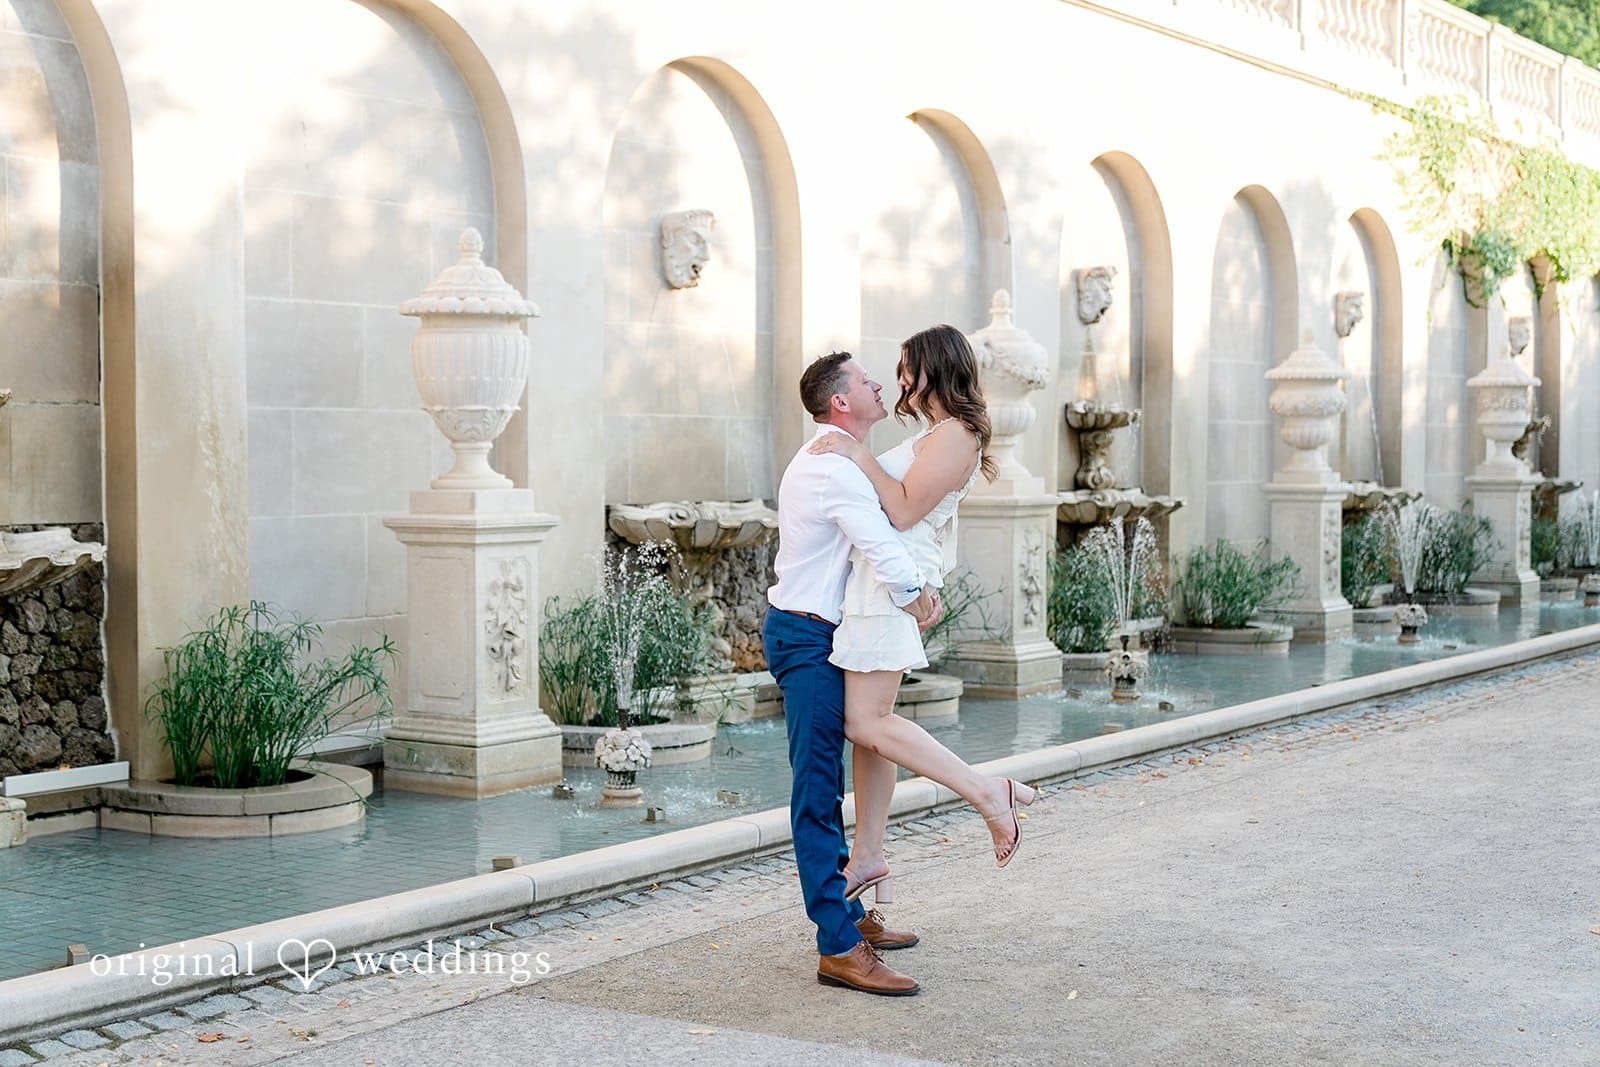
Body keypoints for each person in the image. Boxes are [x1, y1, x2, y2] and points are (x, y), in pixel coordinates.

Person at [806, 323, 1037, 910]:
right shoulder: (941, 432)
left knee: (866, 723)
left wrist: (857, 453)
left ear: (936, 366)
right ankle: (869, 855)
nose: (900, 378)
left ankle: (989, 793)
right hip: (878, 584)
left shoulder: (957, 433)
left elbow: (905, 509)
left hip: (890, 585)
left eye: (908, 366)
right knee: (873, 728)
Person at [766, 351, 943, 997]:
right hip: (807, 636)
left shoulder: (840, 453)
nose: (879, 386)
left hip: (821, 631)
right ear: (841, 401)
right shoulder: (830, 465)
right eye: (867, 381)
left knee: (841, 768)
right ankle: (837, 945)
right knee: (816, 791)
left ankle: (850, 916)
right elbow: (877, 539)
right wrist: (917, 594)